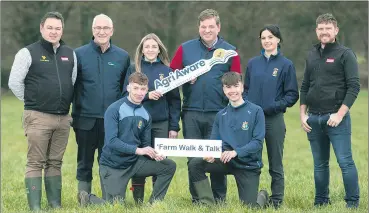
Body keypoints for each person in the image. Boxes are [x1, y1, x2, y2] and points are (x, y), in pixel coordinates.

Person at [170, 8, 241, 203]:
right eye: (203, 26)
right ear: (198, 28)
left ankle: (219, 199)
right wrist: (185, 78)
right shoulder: (185, 49)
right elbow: (171, 78)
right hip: (191, 113)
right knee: (194, 158)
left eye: (211, 26)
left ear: (218, 27)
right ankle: (200, 198)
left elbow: (237, 83)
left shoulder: (230, 51)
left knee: (216, 156)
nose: (207, 30)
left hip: (219, 114)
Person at [8, 11, 77, 211]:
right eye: (50, 27)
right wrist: (33, 101)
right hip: (37, 117)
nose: (53, 31)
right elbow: (14, 83)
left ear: (62, 30)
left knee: (55, 162)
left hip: (63, 118)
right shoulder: (27, 53)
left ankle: (55, 204)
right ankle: (36, 207)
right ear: (41, 28)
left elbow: (71, 82)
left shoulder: (70, 54)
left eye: (57, 28)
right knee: (36, 162)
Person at [78, 72, 177, 206]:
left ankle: (153, 205)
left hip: (134, 163)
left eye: (143, 89)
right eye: (135, 88)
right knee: (115, 206)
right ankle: (87, 198)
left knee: (169, 165)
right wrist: (139, 150)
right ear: (128, 88)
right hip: (113, 165)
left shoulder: (146, 115)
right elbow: (112, 142)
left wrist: (153, 154)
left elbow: (145, 144)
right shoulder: (114, 109)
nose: (139, 92)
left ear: (147, 90)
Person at [300, 13, 360, 208]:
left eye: (328, 28)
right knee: (319, 165)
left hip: (336, 118)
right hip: (314, 119)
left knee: (345, 162)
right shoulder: (312, 53)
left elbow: (354, 87)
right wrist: (303, 114)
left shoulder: (345, 54)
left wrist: (340, 114)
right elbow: (305, 85)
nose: (324, 32)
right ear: (316, 31)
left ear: (336, 30)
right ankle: (321, 202)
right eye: (320, 28)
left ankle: (352, 203)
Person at [72, 13, 131, 201]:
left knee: (109, 161)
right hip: (85, 119)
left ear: (112, 31)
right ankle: (84, 198)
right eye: (98, 28)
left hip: (111, 122)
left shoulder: (122, 56)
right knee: (84, 162)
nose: (102, 31)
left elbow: (125, 91)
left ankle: (108, 197)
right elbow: (71, 86)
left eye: (106, 28)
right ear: (92, 30)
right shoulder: (78, 54)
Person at [188, 72, 269, 208]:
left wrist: (235, 152)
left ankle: (263, 195)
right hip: (226, 161)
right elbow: (215, 142)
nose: (232, 91)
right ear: (224, 90)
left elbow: (257, 142)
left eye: (236, 86)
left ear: (242, 87)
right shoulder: (221, 115)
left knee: (250, 208)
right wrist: (212, 154)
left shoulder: (256, 111)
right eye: (228, 87)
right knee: (195, 164)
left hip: (248, 164)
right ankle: (209, 203)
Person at [122, 33, 181, 204]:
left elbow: (175, 101)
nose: (150, 49)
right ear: (141, 50)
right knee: (139, 160)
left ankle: (156, 201)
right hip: (137, 123)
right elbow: (124, 94)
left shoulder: (167, 71)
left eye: (154, 46)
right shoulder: (134, 69)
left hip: (160, 123)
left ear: (159, 49)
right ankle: (138, 199)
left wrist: (174, 127)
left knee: (160, 160)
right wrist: (147, 95)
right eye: (147, 46)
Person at [244, 25, 299, 208]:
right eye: (263, 38)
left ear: (278, 40)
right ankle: (252, 198)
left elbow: (292, 95)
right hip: (252, 120)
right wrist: (248, 106)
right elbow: (245, 90)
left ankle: (276, 201)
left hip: (273, 120)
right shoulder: (252, 63)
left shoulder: (286, 65)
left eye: (270, 37)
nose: (267, 41)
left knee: (275, 163)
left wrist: (273, 107)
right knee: (252, 161)